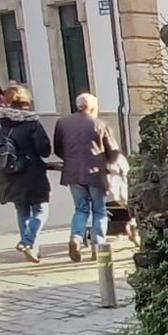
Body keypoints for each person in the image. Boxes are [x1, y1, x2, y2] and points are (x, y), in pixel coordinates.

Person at [0, 83, 52, 263]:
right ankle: (28, 242)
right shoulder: (31, 123)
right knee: (41, 208)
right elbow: (44, 149)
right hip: (31, 173)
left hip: (8, 173)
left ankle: (31, 248)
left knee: (22, 210)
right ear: (26, 102)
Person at [51, 92, 114, 263]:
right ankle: (98, 246)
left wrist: (71, 160)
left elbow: (57, 148)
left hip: (72, 173)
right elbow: (112, 152)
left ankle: (76, 237)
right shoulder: (100, 124)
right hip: (95, 173)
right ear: (93, 107)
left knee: (81, 209)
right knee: (99, 210)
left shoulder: (62, 123)